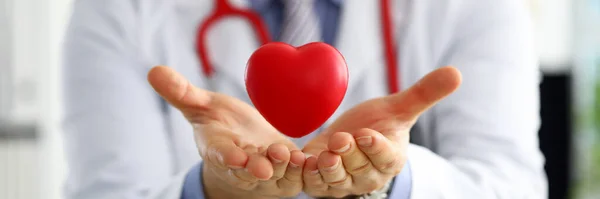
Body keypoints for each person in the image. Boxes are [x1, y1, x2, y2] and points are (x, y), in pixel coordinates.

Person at [62, 0, 548, 198]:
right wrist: (212, 190)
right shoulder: (120, 9)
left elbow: (511, 186)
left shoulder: (477, 6)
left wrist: (396, 180)